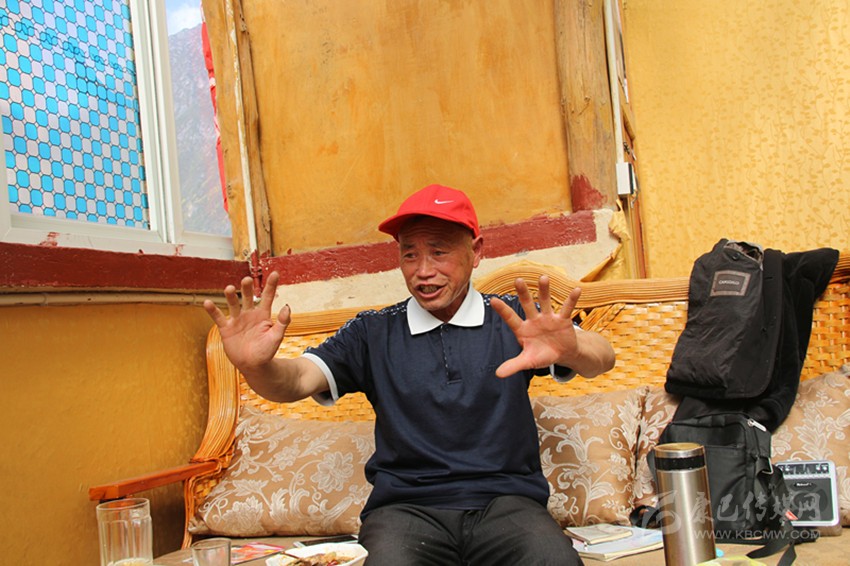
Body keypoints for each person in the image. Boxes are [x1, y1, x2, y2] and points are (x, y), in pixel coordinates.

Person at [204, 184, 616, 565]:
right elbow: (294, 381)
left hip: (509, 505)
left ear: (476, 251)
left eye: (439, 252)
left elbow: (604, 356)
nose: (423, 271)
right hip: (406, 511)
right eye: (410, 254)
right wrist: (256, 365)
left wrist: (574, 349)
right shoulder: (372, 332)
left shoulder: (513, 320)